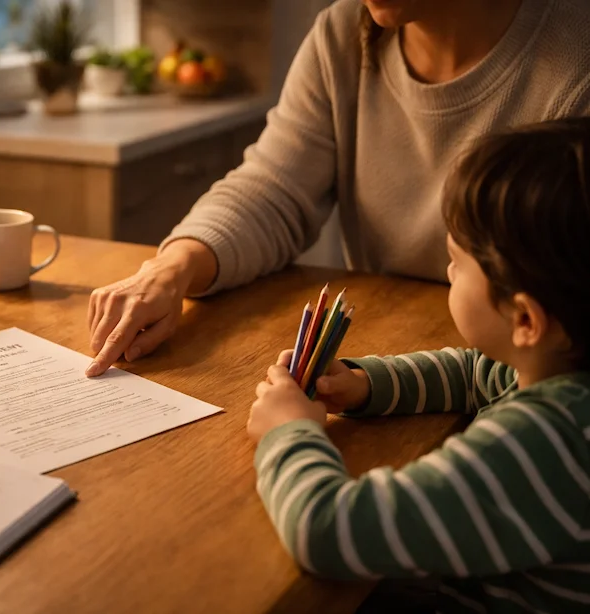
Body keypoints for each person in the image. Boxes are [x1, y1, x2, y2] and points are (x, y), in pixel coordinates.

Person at [84, 0, 590, 377]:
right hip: (385, 374)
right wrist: (172, 269)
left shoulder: (576, 55)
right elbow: (272, 187)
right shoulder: (341, 33)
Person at [247, 117, 590, 612]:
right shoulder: (557, 372)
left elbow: (327, 529)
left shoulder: (543, 444)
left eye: (456, 261)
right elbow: (473, 374)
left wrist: (288, 432)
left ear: (524, 318)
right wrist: (365, 385)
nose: (448, 271)